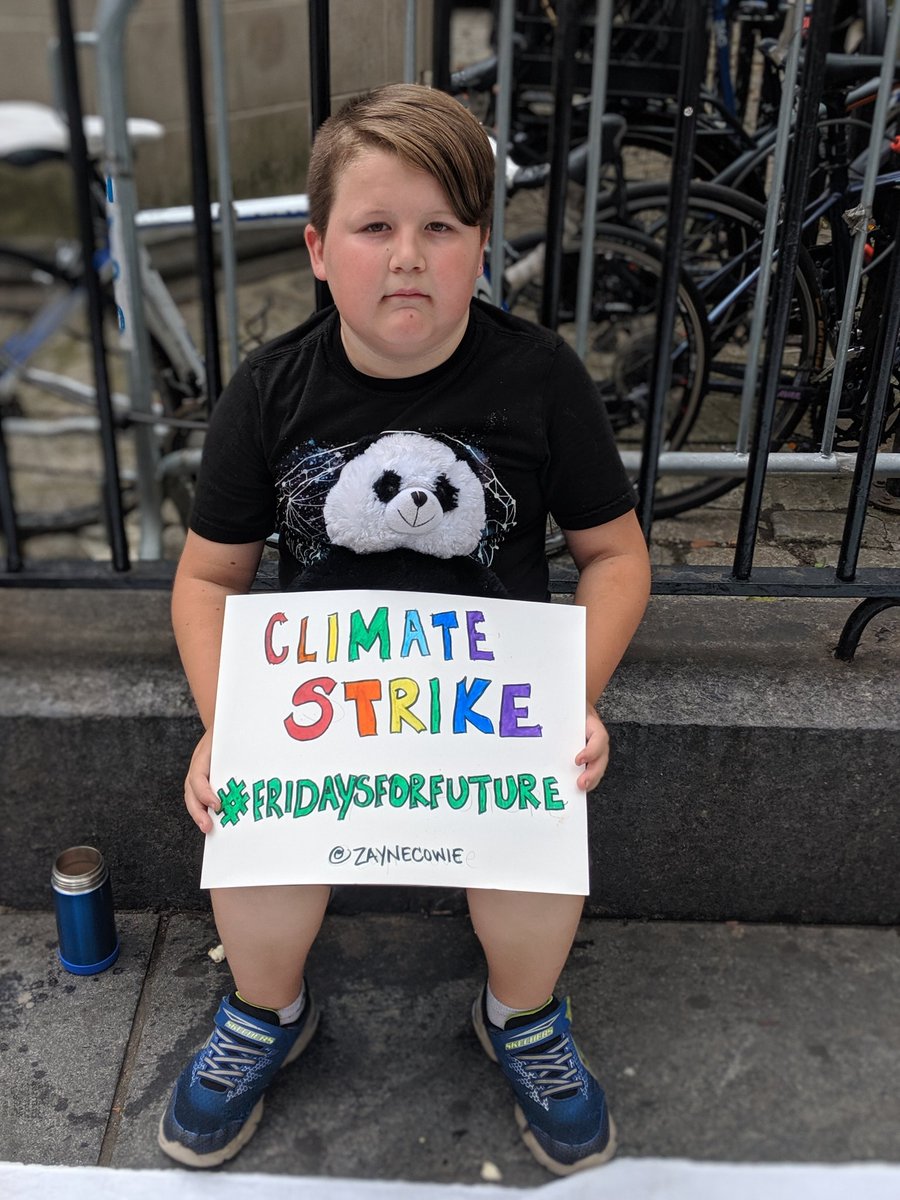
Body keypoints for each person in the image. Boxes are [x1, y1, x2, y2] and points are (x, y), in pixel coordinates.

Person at [158, 82, 651, 1176]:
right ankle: (265, 1010)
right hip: (322, 712)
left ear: (481, 245)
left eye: (440, 227)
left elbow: (617, 557)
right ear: (317, 250)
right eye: (375, 227)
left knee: (535, 865)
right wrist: (228, 724)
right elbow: (207, 578)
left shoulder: (539, 380)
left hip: (489, 713)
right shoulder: (272, 391)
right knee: (253, 847)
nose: (408, 258)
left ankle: (522, 1015)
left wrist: (571, 695)